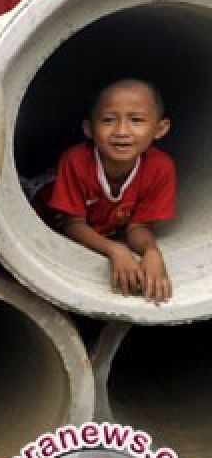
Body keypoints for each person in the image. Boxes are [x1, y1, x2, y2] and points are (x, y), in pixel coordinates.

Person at [35, 78, 174, 303]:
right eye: (108, 120)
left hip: (102, 220)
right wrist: (116, 250)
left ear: (160, 129)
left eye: (136, 120)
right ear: (89, 129)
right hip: (45, 201)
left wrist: (151, 252)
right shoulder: (75, 161)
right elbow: (73, 225)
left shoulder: (160, 167)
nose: (122, 131)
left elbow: (138, 226)